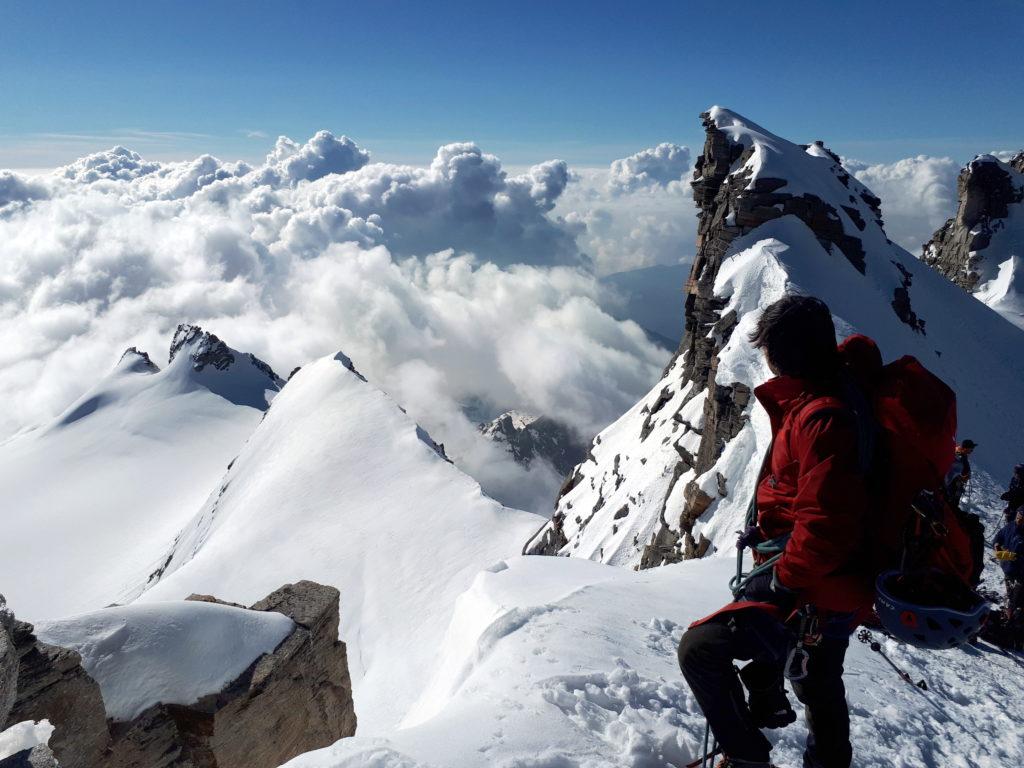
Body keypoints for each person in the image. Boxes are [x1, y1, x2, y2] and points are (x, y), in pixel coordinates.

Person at [678, 295, 873, 768]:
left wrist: (784, 580)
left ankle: (747, 759)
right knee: (820, 680)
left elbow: (824, 525)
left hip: (814, 587)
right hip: (838, 585)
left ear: (781, 354)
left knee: (700, 650)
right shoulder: (840, 393)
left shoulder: (822, 417)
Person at [994, 508, 1024, 637]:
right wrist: (997, 546)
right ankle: (1008, 621)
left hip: (1021, 573)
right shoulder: (1010, 526)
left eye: (1022, 517)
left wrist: (1015, 556)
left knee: (1016, 600)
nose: (1019, 519)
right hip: (1008, 569)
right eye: (1019, 515)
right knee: (1010, 597)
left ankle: (1012, 625)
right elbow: (998, 537)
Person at [944, 439, 976, 509]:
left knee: (949, 500)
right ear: (966, 448)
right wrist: (965, 475)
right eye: (971, 449)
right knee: (952, 503)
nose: (972, 451)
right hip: (954, 483)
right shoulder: (961, 457)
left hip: (951, 482)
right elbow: (964, 471)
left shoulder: (957, 452)